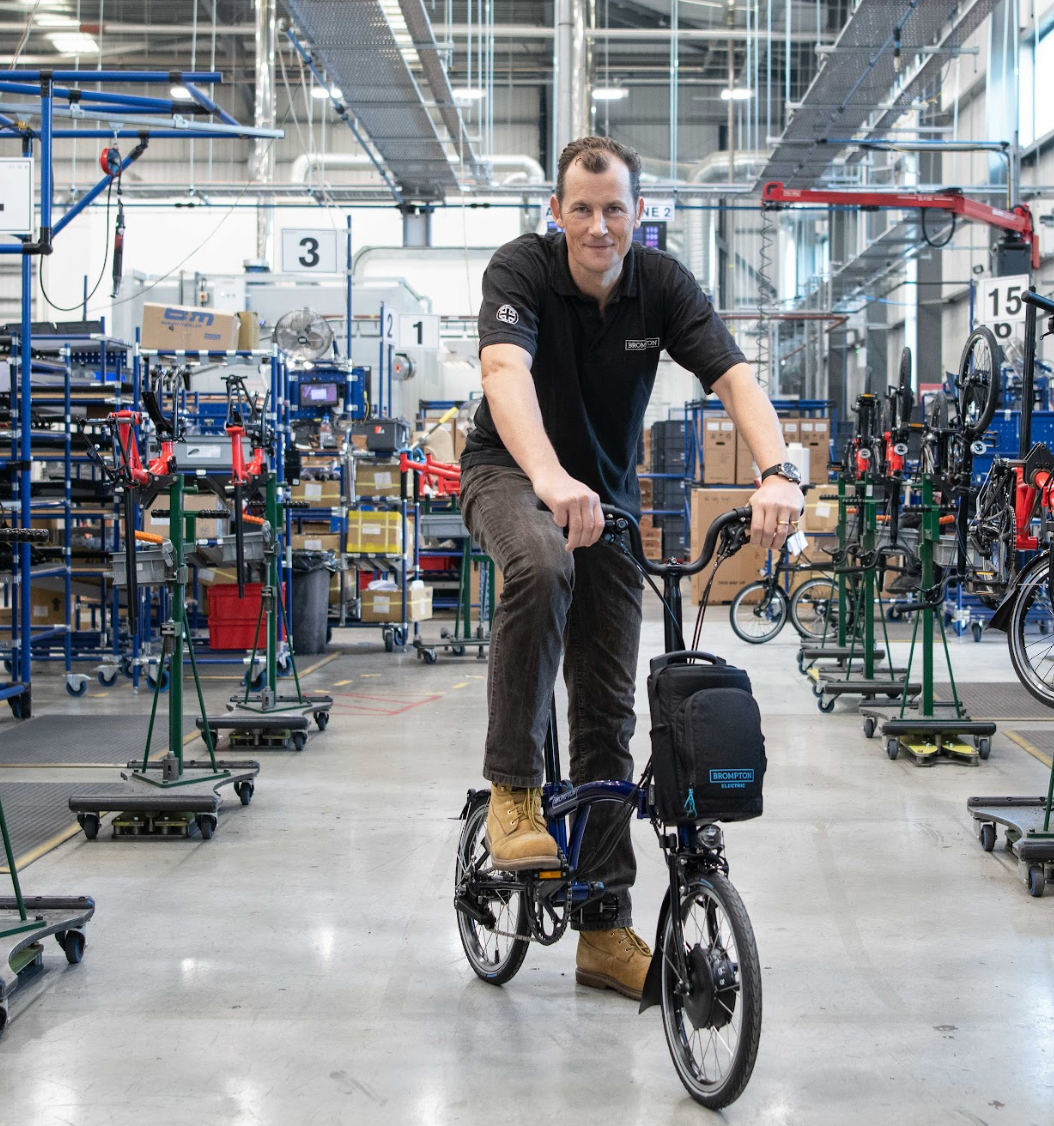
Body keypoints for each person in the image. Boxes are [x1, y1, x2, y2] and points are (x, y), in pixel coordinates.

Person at [460, 135, 804, 999]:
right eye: (582, 208)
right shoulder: (522, 272)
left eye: (615, 208)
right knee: (539, 564)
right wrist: (546, 476)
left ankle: (604, 930)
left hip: (607, 498)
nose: (598, 225)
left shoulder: (664, 286)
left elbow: (734, 379)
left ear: (638, 214)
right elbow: (505, 374)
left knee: (610, 710)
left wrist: (777, 471)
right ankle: (513, 791)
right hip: (510, 472)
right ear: (557, 213)